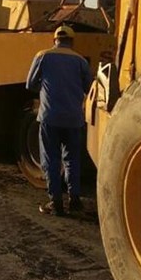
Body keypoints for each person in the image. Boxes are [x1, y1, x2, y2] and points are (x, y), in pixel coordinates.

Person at [25, 24, 92, 217]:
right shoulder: (80, 61)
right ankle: (75, 200)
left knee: (51, 160)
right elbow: (89, 88)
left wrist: (48, 91)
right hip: (74, 119)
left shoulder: (43, 56)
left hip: (50, 117)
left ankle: (56, 203)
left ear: (55, 40)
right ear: (71, 41)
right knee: (71, 159)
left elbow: (30, 84)